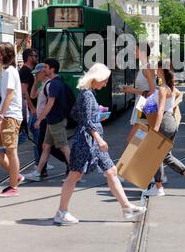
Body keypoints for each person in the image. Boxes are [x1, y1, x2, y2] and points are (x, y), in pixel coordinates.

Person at [54, 63, 146, 225]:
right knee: (74, 175)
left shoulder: (86, 93)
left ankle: (126, 208)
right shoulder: (88, 96)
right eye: (104, 81)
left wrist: (98, 113)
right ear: (96, 79)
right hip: (87, 142)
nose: (105, 84)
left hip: (90, 141)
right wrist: (99, 138)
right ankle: (62, 212)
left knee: (111, 171)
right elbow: (87, 121)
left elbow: (76, 113)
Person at [143, 61, 185, 198]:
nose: (155, 71)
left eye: (157, 69)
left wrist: (155, 129)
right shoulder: (171, 87)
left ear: (162, 71)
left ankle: (158, 187)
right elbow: (178, 96)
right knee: (165, 155)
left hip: (163, 122)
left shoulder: (163, 88)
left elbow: (161, 109)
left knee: (155, 155)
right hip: (171, 122)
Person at [25, 59, 70, 181]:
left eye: (45, 67)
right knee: (45, 146)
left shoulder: (51, 84)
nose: (36, 74)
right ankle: (39, 171)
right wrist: (35, 81)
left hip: (51, 119)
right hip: (49, 119)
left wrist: (39, 119)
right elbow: (33, 96)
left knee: (62, 147)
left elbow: (50, 104)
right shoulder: (44, 85)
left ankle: (74, 170)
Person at [0, 43, 23, 197]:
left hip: (10, 116)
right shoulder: (6, 71)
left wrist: (0, 117)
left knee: (11, 151)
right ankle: (16, 175)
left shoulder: (9, 71)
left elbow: (9, 95)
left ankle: (13, 186)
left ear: (4, 55)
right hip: (5, 115)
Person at [122, 44, 156, 141]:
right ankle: (143, 155)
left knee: (133, 139)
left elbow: (153, 90)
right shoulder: (144, 67)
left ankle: (134, 156)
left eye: (136, 50)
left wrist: (131, 90)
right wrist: (130, 89)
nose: (134, 52)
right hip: (143, 103)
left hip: (144, 104)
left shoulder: (147, 68)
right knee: (139, 139)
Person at [19, 48, 39, 151]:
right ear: (28, 58)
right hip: (29, 110)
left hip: (31, 109)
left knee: (37, 135)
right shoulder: (25, 71)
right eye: (34, 56)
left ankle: (39, 163)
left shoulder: (30, 71)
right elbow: (24, 90)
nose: (36, 57)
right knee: (22, 137)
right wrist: (32, 108)